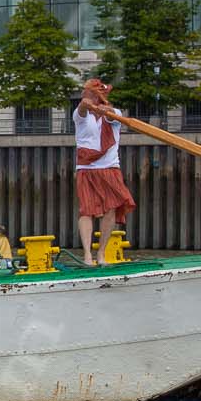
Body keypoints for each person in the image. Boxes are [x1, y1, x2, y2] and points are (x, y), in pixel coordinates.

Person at [74, 77, 136, 264]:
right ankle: (86, 255)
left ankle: (101, 253)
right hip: (86, 167)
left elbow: (111, 114)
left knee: (111, 209)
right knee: (87, 210)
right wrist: (90, 105)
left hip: (109, 166)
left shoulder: (115, 113)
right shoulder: (79, 114)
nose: (89, 96)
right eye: (88, 93)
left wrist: (105, 110)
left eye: (94, 93)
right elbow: (83, 107)